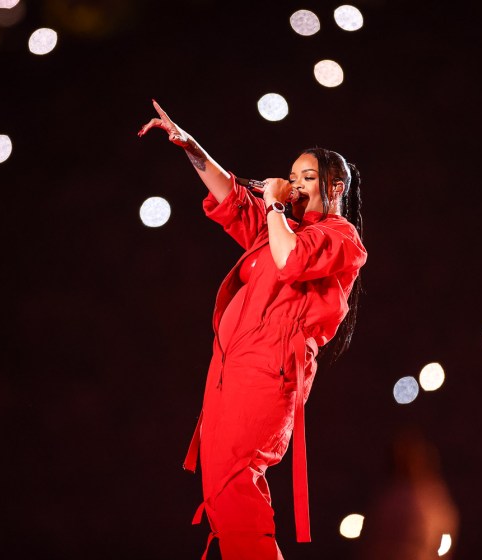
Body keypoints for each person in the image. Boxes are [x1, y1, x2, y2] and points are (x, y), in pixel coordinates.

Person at [138, 100, 367, 559]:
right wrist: (191, 145)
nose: (295, 183)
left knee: (236, 481)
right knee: (221, 491)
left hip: (268, 373)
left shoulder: (339, 238)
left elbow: (291, 260)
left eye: (307, 177)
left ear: (335, 187)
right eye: (292, 175)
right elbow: (231, 197)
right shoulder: (276, 225)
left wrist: (277, 205)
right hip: (227, 372)